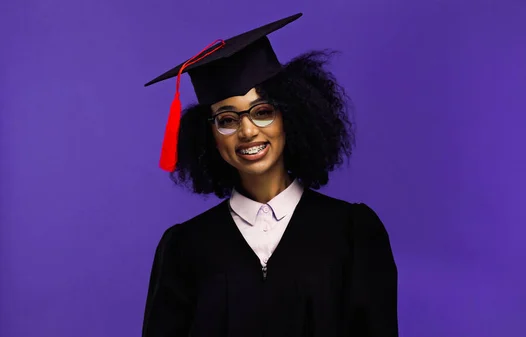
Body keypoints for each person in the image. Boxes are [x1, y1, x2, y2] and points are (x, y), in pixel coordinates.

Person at [141, 13, 398, 337]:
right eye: (227, 119)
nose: (247, 131)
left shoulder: (352, 233)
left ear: (290, 115)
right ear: (210, 136)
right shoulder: (185, 247)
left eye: (262, 112)